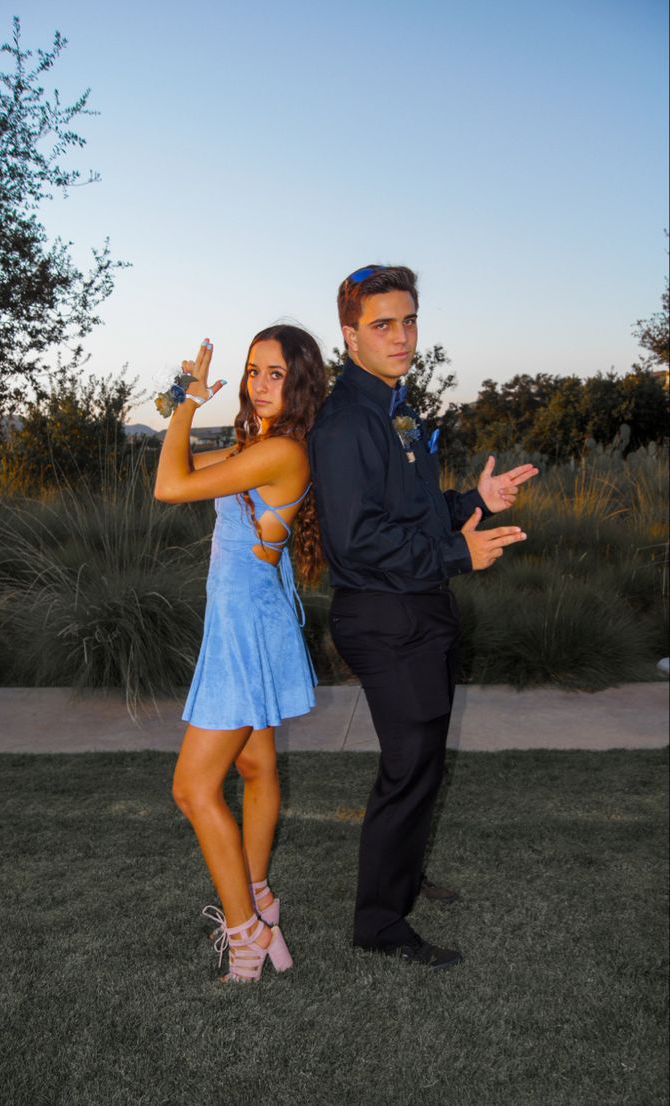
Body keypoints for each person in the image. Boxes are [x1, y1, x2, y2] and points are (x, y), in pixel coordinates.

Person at [309, 264, 538, 970]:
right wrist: (457, 554)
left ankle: (402, 880)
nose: (402, 336)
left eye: (409, 320)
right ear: (349, 335)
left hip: (417, 609)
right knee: (407, 771)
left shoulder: (390, 404)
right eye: (383, 324)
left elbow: (408, 512)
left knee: (423, 764)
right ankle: (379, 925)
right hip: (385, 617)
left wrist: (473, 501)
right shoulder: (347, 421)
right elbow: (357, 541)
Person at [154, 324, 327, 982]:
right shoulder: (258, 447)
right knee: (255, 768)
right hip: (249, 618)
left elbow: (167, 488)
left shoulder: (280, 451)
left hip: (242, 628)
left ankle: (245, 934)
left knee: (193, 790)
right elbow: (178, 471)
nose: (257, 384)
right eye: (252, 370)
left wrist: (184, 401)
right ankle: (259, 899)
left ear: (301, 382)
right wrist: (183, 410)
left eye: (274, 373)